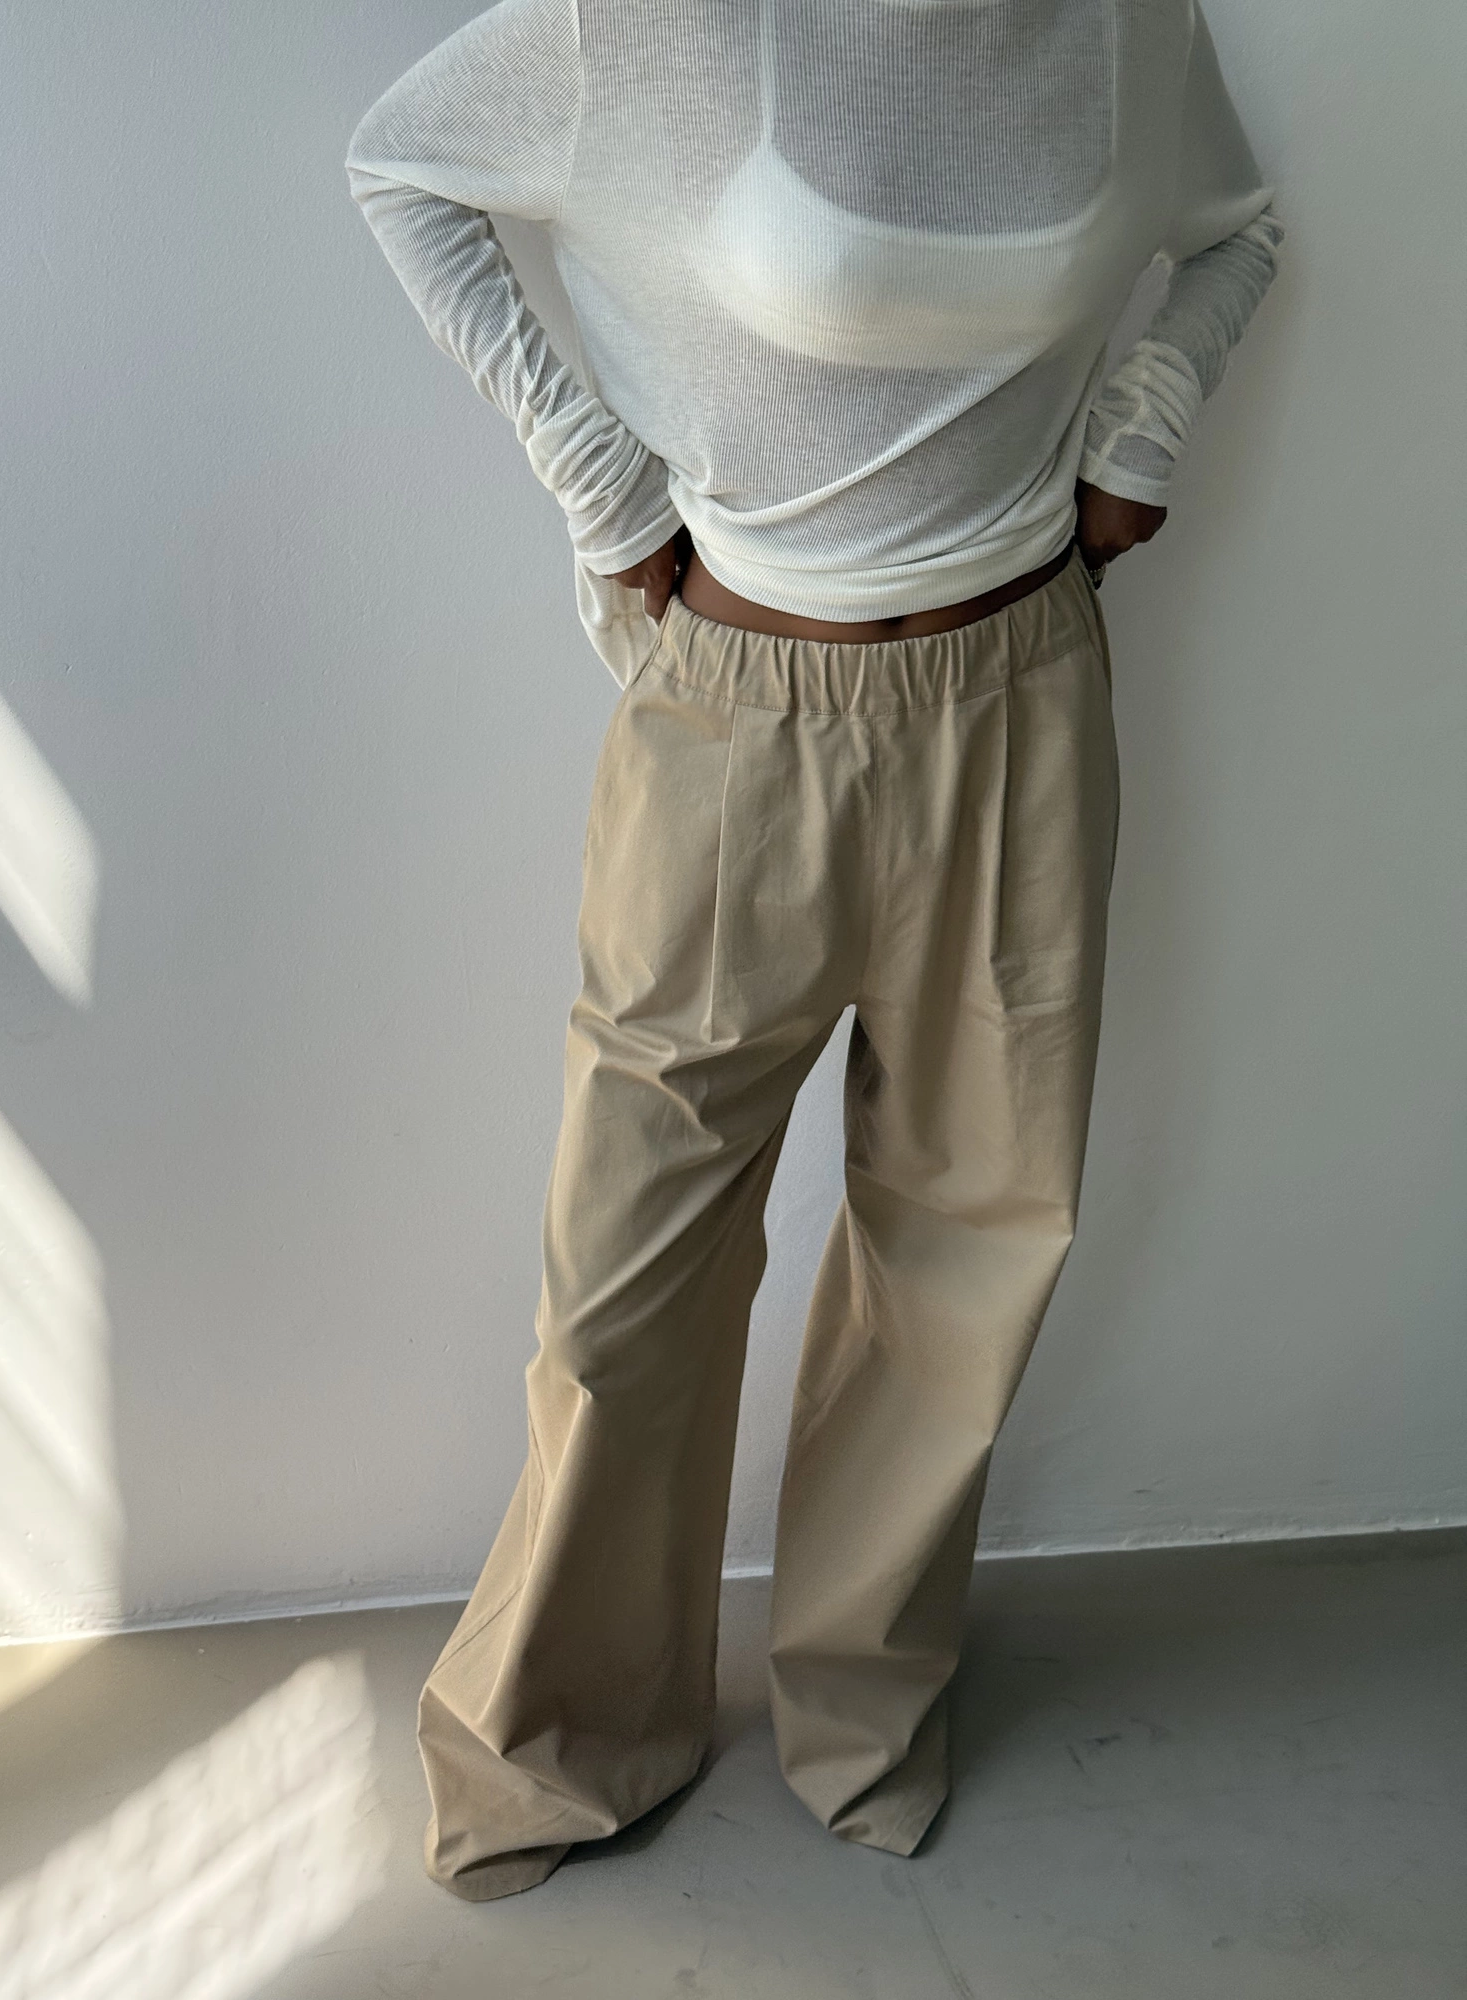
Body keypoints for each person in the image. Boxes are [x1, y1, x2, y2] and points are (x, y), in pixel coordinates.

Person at [346, 0, 1282, 1902]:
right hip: (743, 718)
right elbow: (402, 169)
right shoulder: (643, 25)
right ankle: (560, 1738)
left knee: (967, 1242)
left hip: (1023, 698)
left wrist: (1145, 425)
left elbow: (1238, 227)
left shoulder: (1122, 22)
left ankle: (864, 1705)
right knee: (630, 1274)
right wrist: (604, 489)